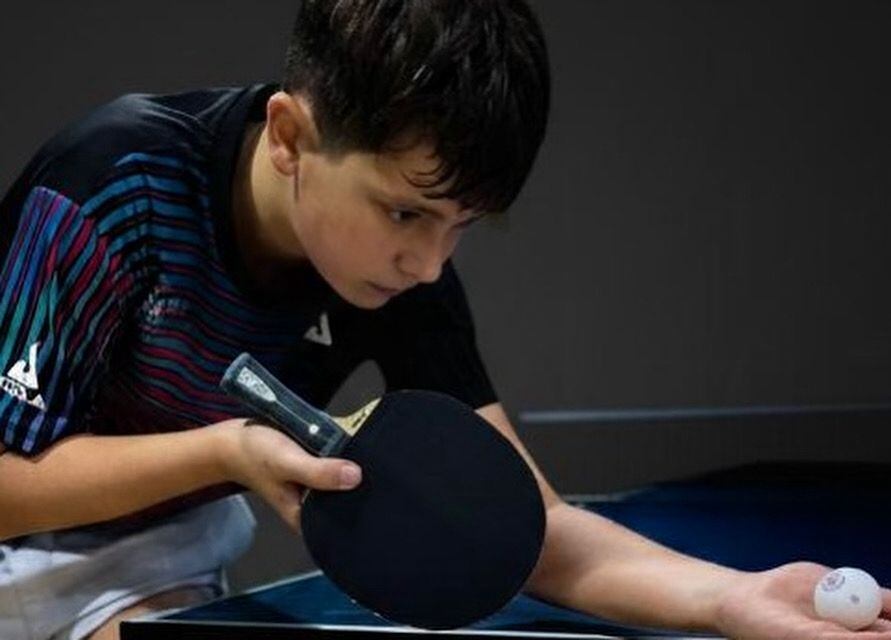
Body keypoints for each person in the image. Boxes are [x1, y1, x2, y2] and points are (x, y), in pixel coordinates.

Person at [0, 1, 888, 639]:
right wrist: (225, 450)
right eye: (404, 213)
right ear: (288, 136)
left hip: (166, 563)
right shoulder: (113, 184)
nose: (430, 263)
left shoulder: (397, 272)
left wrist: (732, 599)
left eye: (461, 226)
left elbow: (516, 528)